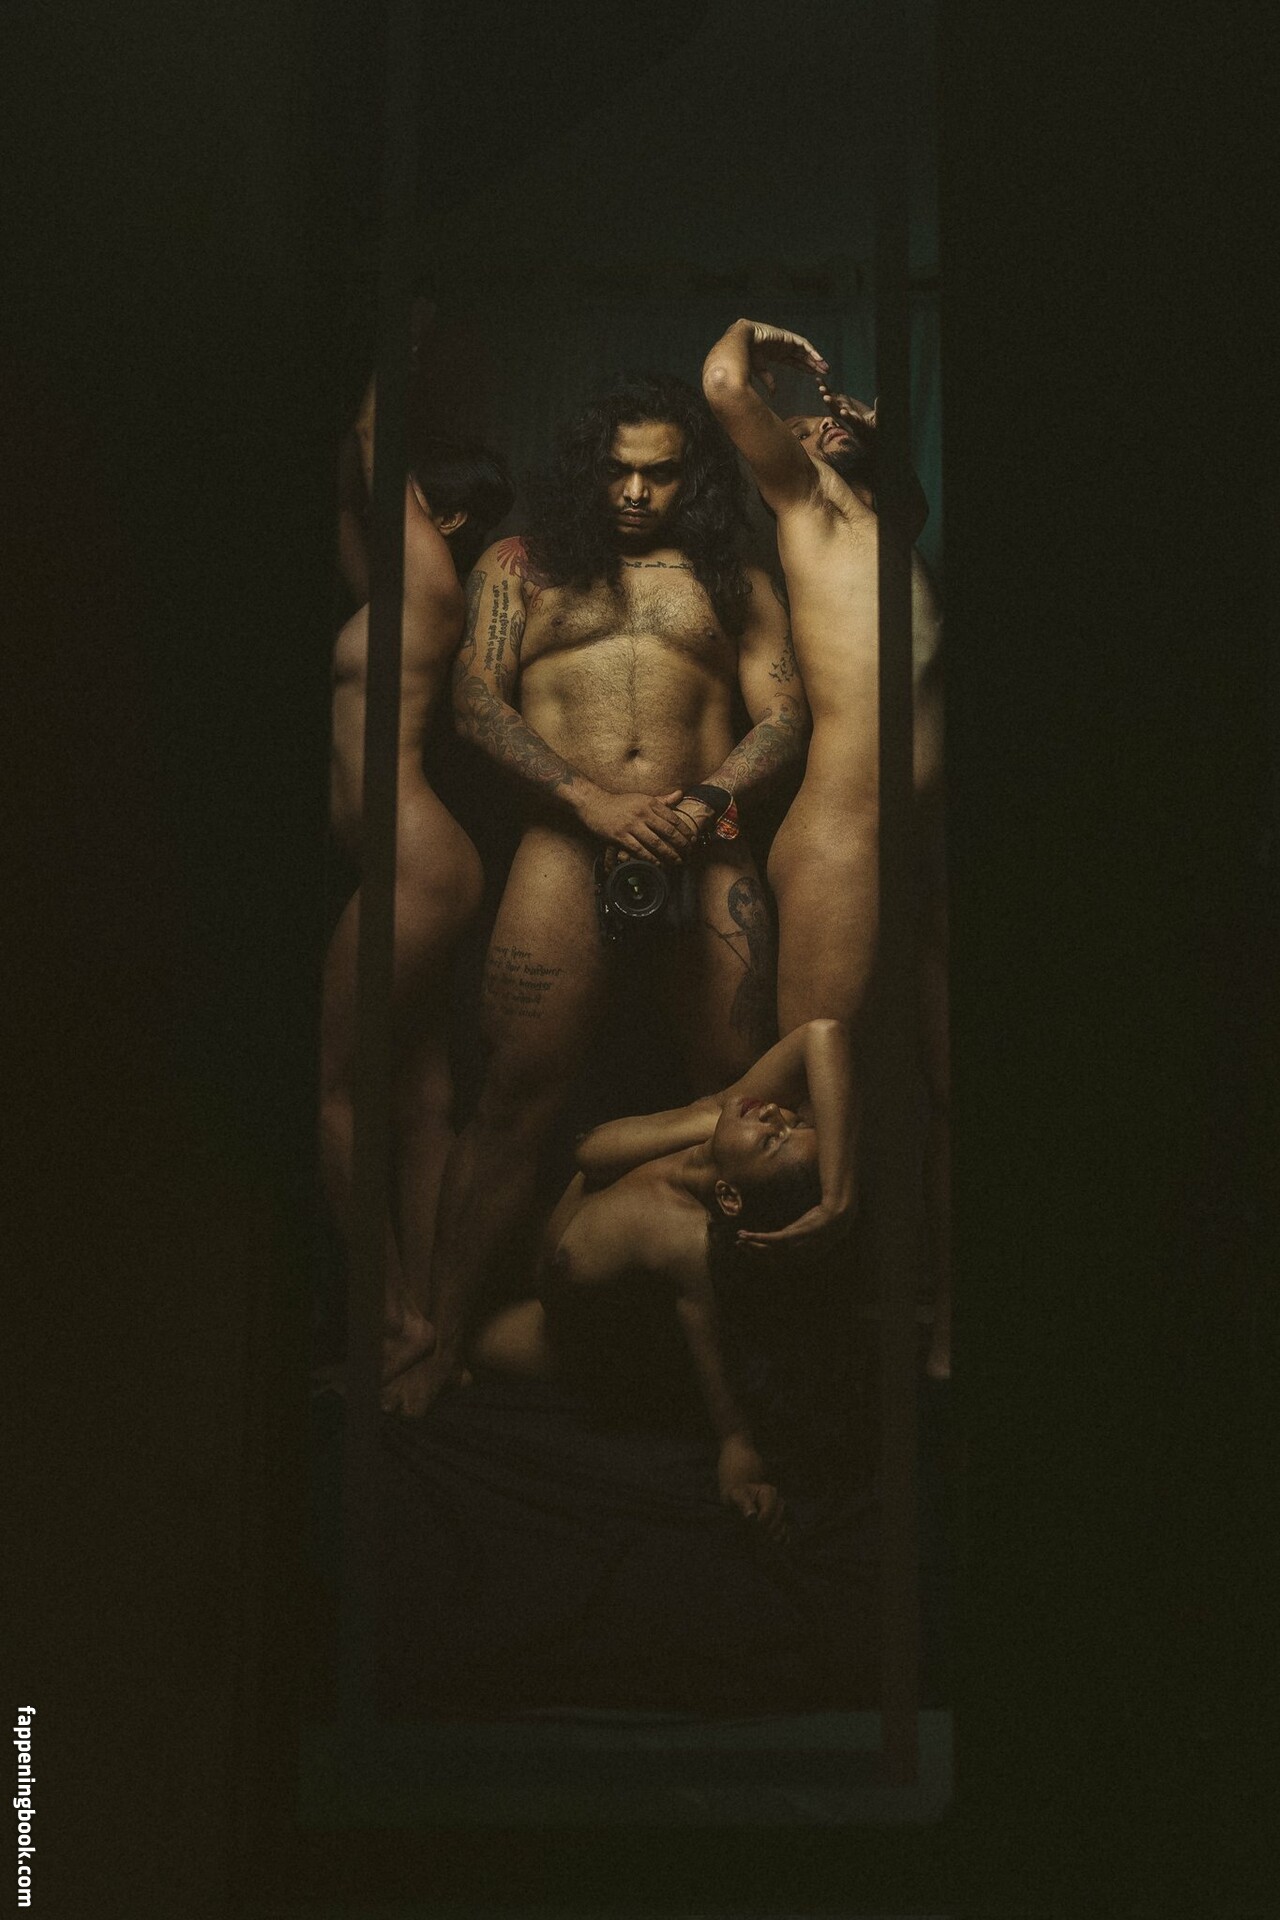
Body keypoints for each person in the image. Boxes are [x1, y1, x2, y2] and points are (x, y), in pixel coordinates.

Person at [393, 373, 808, 1416]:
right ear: (588, 468)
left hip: (704, 844)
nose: (632, 492)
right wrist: (590, 800)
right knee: (511, 1102)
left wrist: (703, 800)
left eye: (657, 474)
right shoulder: (519, 566)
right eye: (616, 470)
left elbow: (784, 716)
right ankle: (439, 1342)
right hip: (564, 845)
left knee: (743, 1099)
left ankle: (756, 1382)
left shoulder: (735, 578)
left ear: (689, 477)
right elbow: (473, 699)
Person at [701, 319, 950, 1378]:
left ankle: (938, 1322)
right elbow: (725, 384)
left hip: (919, 846)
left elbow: (909, 496)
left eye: (832, 418)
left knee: (937, 1090)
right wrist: (758, 338)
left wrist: (875, 438)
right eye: (801, 423)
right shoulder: (807, 505)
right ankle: (780, 1368)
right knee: (813, 1087)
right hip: (844, 835)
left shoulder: (888, 528)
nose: (819, 421)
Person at [468, 1019, 856, 1537]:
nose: (772, 1114)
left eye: (773, 1142)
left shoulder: (685, 1243)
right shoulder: (727, 1113)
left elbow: (730, 1420)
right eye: (792, 1124)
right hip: (518, 1232)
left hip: (558, 1339)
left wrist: (741, 1469)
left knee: (469, 1348)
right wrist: (837, 1199)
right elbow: (823, 1034)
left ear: (730, 1198)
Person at [322, 427, 514, 1399]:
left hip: (415, 864)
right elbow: (349, 498)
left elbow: (372, 440)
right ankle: (432, 1333)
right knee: (421, 1096)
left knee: (331, 1091)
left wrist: (387, 367)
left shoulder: (433, 586)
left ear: (447, 519)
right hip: (411, 865)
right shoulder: (392, 600)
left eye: (409, 503)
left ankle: (393, 1319)